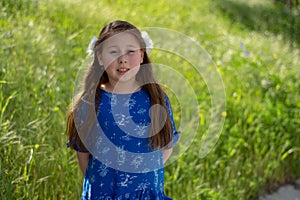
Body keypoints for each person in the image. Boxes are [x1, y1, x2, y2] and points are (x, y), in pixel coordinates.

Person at [66, 20, 180, 200]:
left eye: (130, 51)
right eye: (113, 52)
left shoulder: (156, 98)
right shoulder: (90, 102)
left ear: (142, 55)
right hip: (104, 193)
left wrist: (143, 174)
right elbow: (83, 153)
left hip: (146, 193)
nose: (123, 59)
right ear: (100, 57)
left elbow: (166, 144)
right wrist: (98, 187)